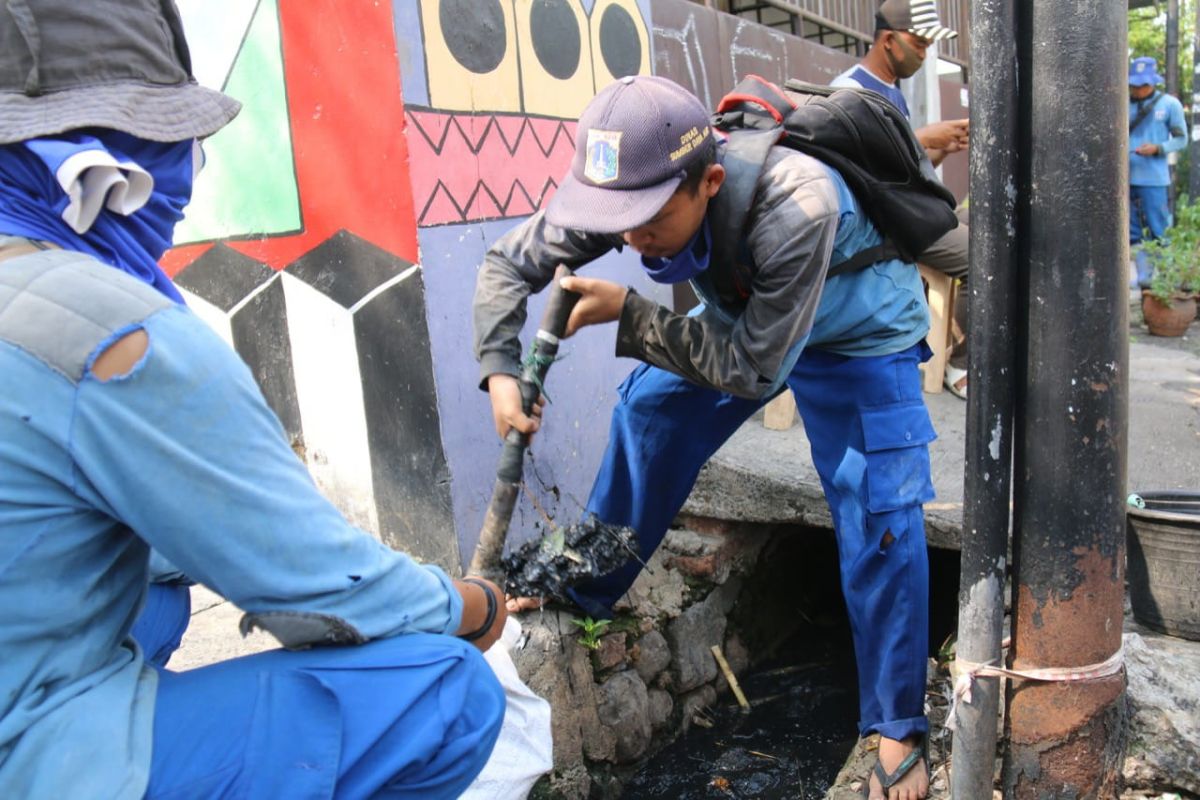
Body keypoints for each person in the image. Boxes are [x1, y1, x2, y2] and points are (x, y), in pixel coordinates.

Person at [0, 2, 506, 798]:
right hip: (27, 748)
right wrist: (472, 605)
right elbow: (318, 588)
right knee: (445, 690)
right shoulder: (101, 325)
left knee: (156, 588)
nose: (186, 179)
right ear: (97, 168)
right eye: (171, 145)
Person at [475, 75, 936, 800]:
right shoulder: (634, 190)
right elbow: (509, 262)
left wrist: (631, 318)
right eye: (613, 217)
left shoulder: (797, 203)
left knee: (876, 507)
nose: (628, 236)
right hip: (754, 320)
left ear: (709, 180)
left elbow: (751, 371)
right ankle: (588, 586)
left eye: (646, 219)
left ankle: (897, 724)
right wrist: (500, 369)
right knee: (651, 412)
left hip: (859, 336)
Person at [831, 0, 971, 399]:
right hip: (881, 224)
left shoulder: (894, 92)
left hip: (909, 211)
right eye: (919, 43)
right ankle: (959, 364)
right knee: (986, 255)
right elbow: (855, 174)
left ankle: (950, 347)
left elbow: (905, 168)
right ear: (889, 40)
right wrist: (923, 138)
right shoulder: (850, 92)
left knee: (993, 231)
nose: (924, 54)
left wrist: (942, 147)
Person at [1128, 56, 1187, 289]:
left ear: (1152, 84)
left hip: (1154, 179)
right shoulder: (1123, 103)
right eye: (1134, 84)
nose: (1137, 90)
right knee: (1132, 231)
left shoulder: (1169, 105)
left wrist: (1159, 148)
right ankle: (1142, 278)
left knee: (1158, 229)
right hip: (1125, 179)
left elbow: (1181, 139)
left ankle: (1163, 280)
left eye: (1142, 85)